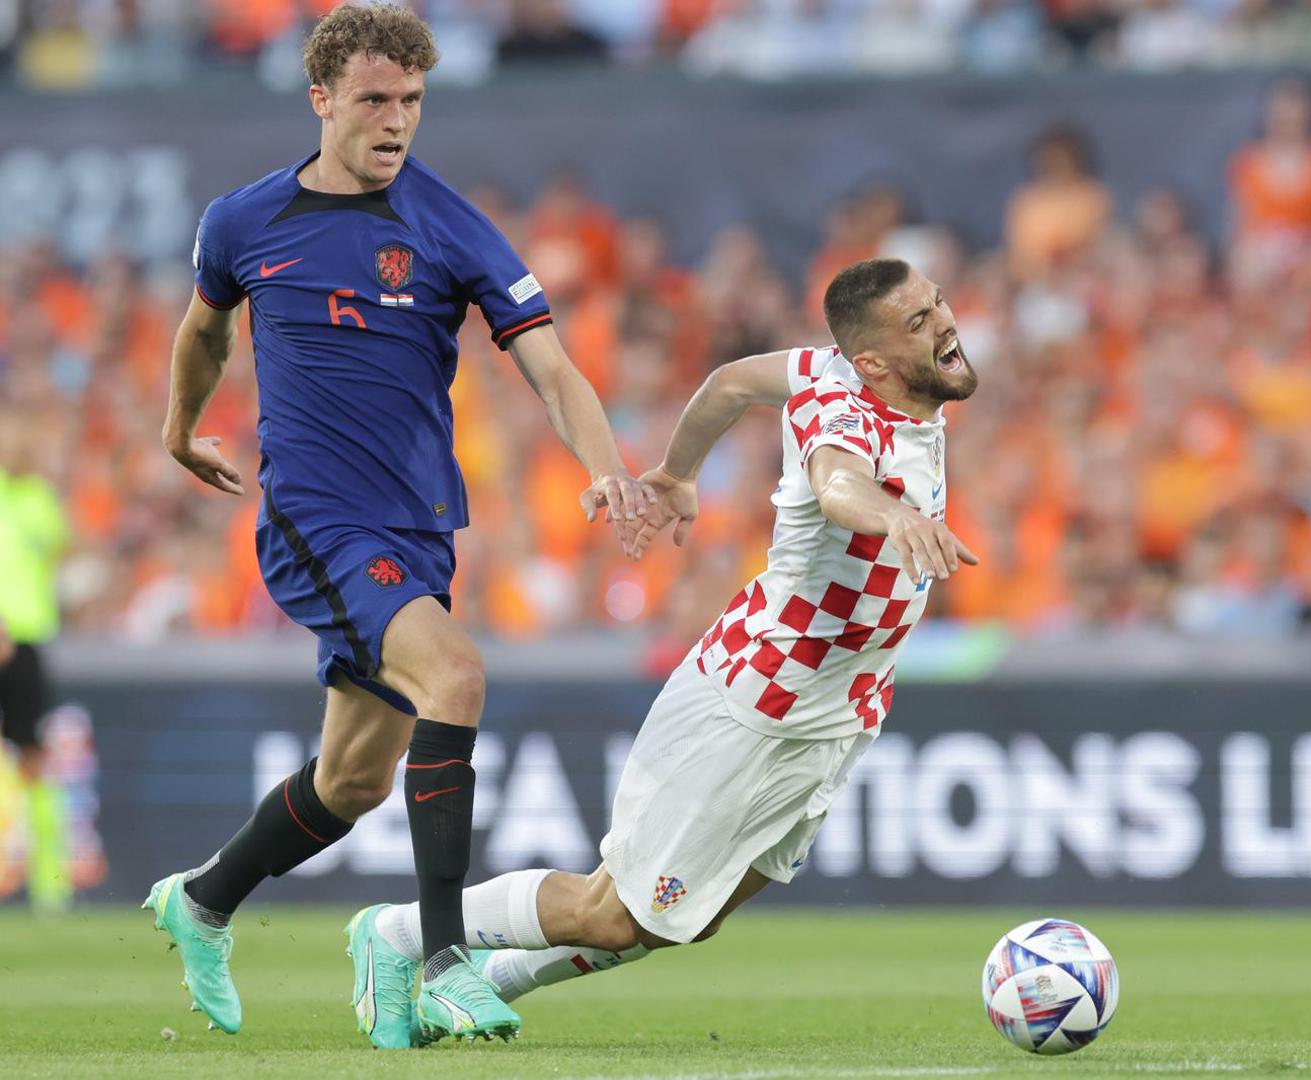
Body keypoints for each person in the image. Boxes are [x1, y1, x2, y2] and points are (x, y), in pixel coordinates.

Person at [145, 4, 647, 1046]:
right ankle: (446, 957)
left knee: (354, 781)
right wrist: (179, 431)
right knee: (455, 676)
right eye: (375, 99)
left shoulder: (448, 223)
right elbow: (203, 332)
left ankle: (200, 900)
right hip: (318, 521)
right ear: (321, 97)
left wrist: (607, 468)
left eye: (411, 101)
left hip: (417, 529)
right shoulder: (245, 222)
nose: (395, 120)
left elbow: (548, 365)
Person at [341, 256, 980, 1044]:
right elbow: (834, 484)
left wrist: (678, 473)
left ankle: (484, 979)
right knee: (610, 912)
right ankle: (398, 934)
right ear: (873, 363)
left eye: (938, 303)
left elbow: (729, 385)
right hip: (757, 703)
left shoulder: (836, 369)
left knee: (689, 916)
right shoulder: (845, 417)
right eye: (919, 321)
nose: (946, 322)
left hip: (840, 709)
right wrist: (895, 516)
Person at [0, 413, 72, 914]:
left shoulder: (38, 500)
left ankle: (52, 886)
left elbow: (61, 551)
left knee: (33, 759)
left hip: (26, 641)